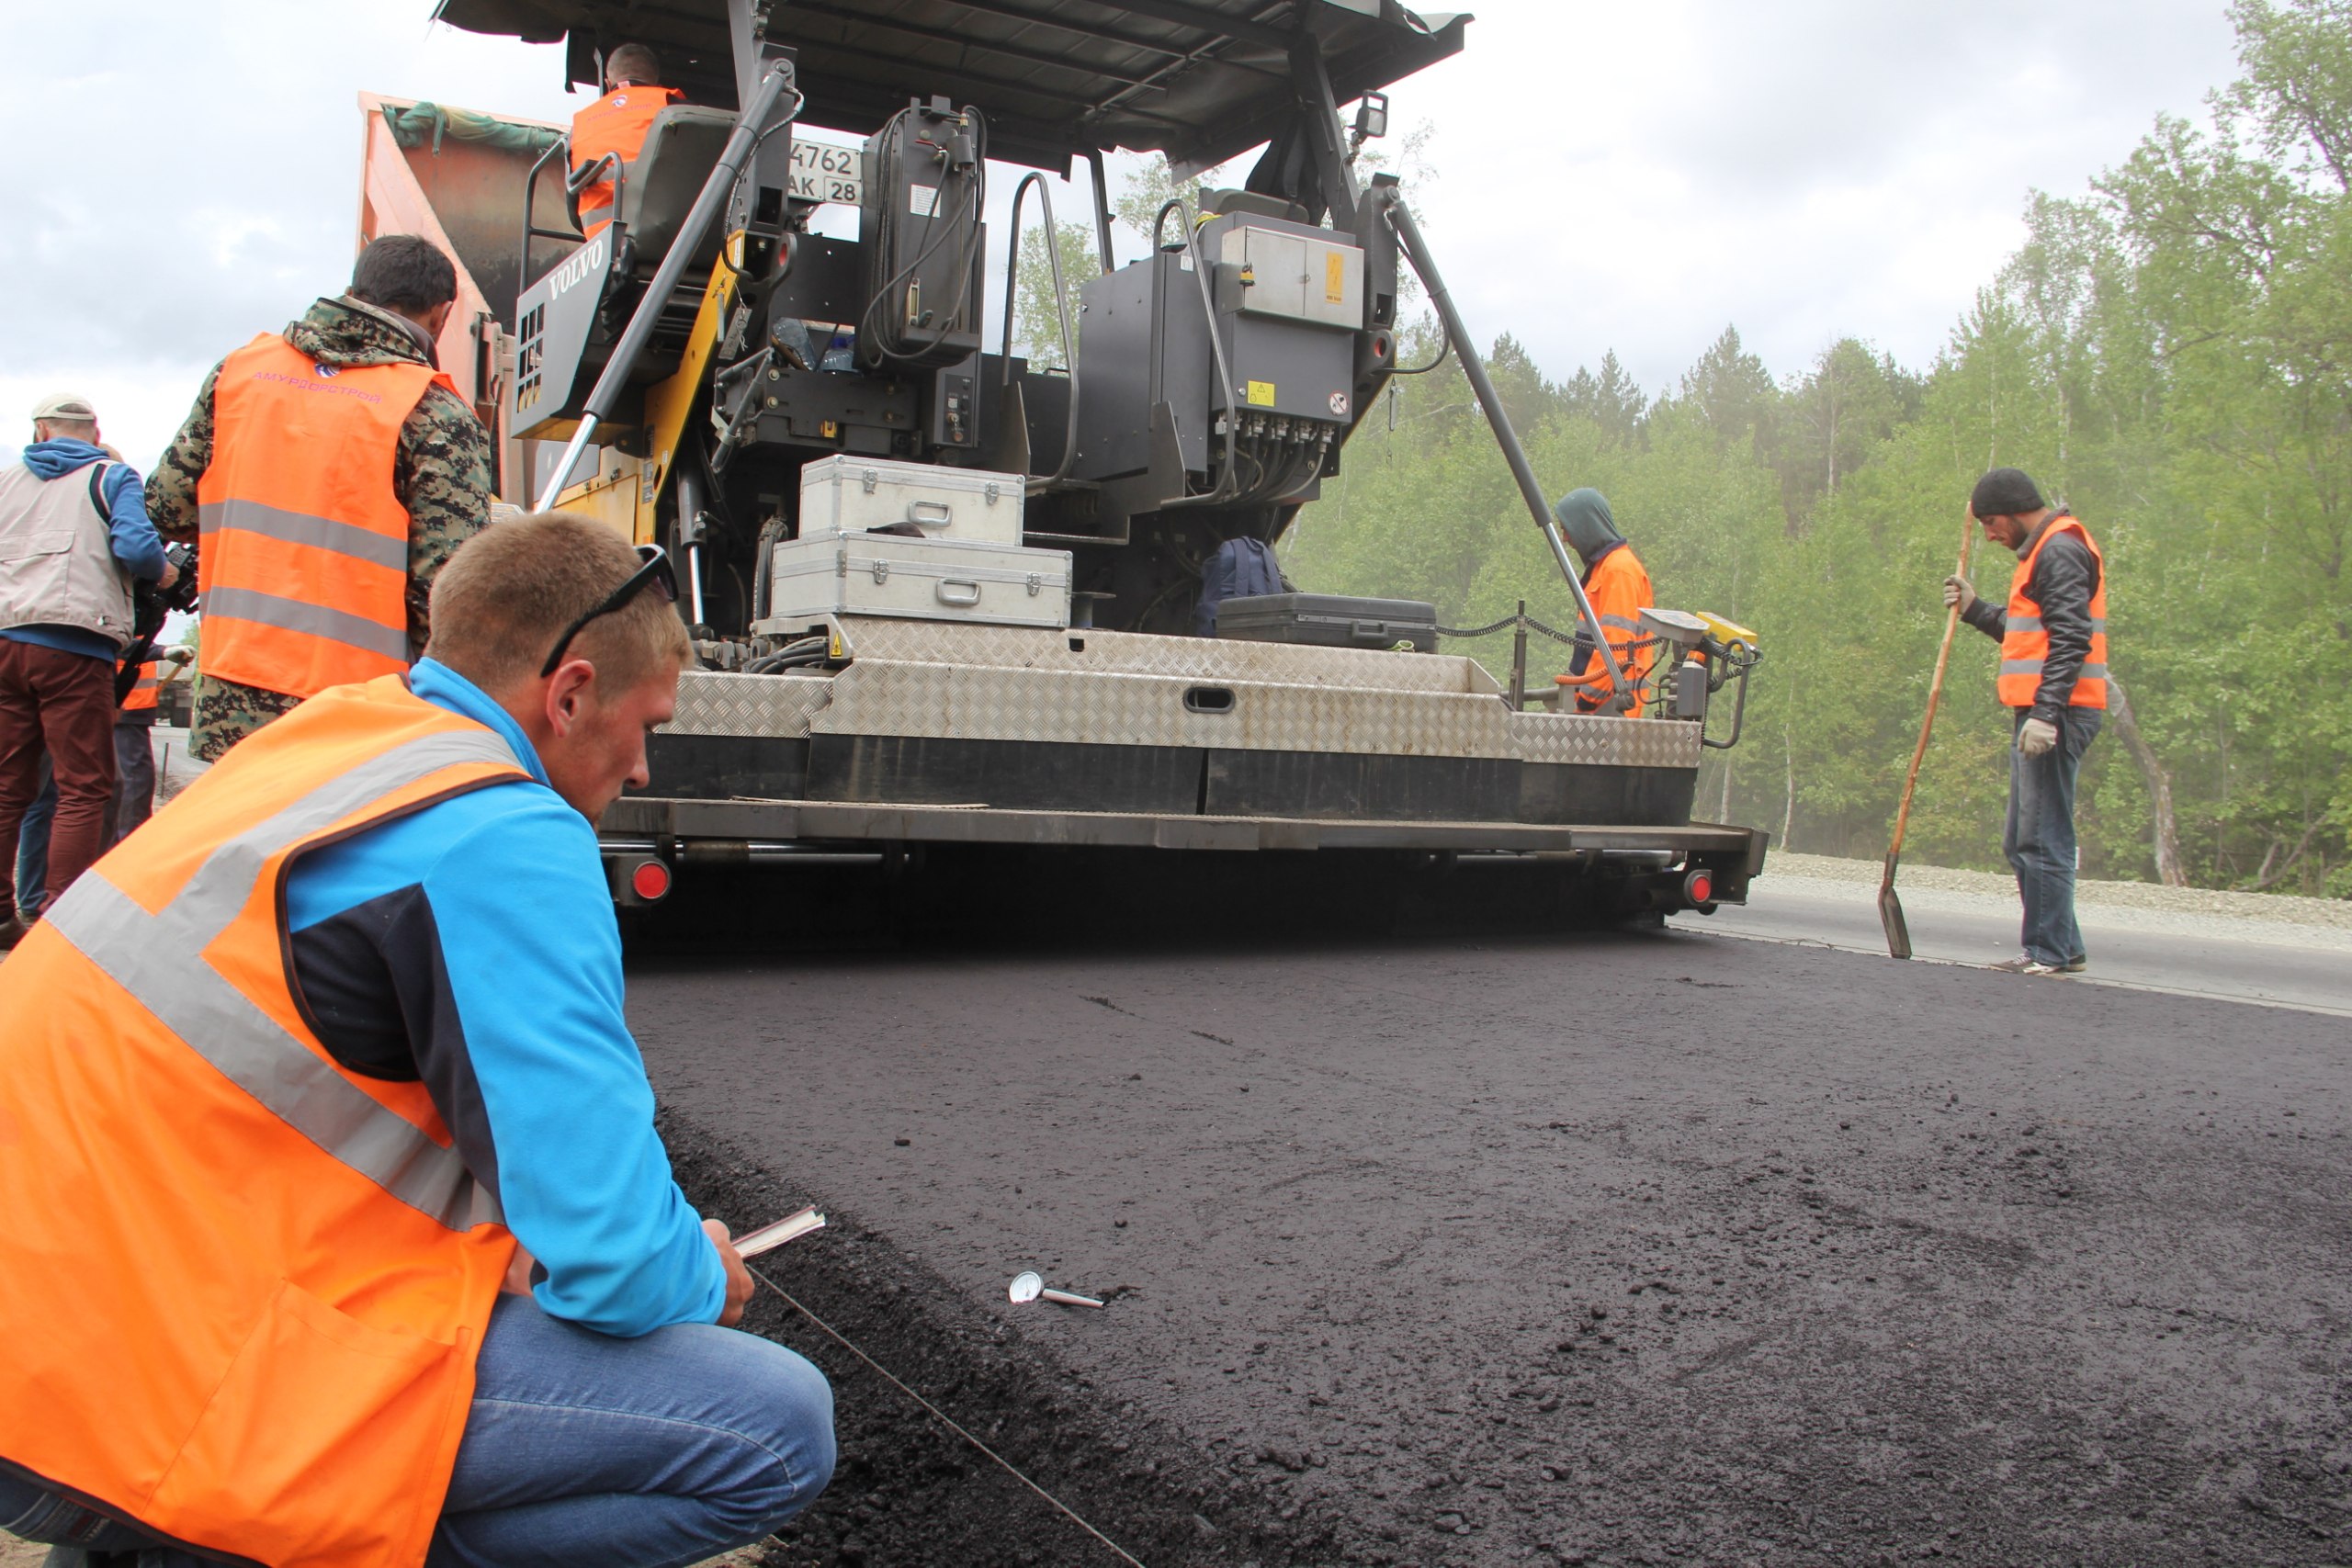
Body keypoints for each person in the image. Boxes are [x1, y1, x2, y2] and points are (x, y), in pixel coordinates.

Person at [0, 513, 834, 1567]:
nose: (641, 769)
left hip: (55, 1309)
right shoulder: (507, 834)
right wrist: (700, 1276)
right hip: (131, 1372)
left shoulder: (341, 736)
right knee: (768, 1428)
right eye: (646, 724)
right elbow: (617, 1260)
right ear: (569, 694)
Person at [146, 233, 493, 762]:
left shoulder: (238, 374)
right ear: (442, 314)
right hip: (355, 714)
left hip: (233, 694)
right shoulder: (432, 411)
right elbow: (449, 595)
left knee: (243, 841)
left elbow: (166, 508)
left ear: (355, 290)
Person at [0, 393, 175, 947]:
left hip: (6, 640)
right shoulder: (111, 475)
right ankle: (60, 922)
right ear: (95, 433)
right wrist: (167, 576)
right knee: (84, 786)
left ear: (41, 431)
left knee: (9, 786)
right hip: (75, 642)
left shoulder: (8, 481)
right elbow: (137, 549)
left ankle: (4, 913)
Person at [1942, 467, 2108, 976]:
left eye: (1991, 522)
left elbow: (2071, 639)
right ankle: (2063, 946)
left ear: (2014, 510)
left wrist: (2045, 714)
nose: (1989, 534)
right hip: (2047, 711)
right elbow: (2027, 636)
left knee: (2040, 837)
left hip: (2056, 713)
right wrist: (1974, 610)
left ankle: (2047, 953)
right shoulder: (2043, 552)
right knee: (2024, 838)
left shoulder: (2058, 549)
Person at [1550, 487, 1655, 715]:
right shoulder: (1605, 568)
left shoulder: (1619, 571)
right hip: (1601, 712)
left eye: (1567, 530)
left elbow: (1615, 652)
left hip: (1611, 713)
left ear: (1586, 526)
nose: (1566, 539)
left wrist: (1584, 703)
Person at [571, 42, 684, 236]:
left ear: (608, 84)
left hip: (599, 239)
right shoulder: (669, 104)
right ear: (656, 84)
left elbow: (572, 200)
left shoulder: (580, 124)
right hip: (665, 232)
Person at [108, 645, 187, 843]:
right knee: (133, 780)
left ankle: (120, 843)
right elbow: (121, 641)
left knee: (127, 780)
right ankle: (129, 845)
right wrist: (159, 651)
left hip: (129, 705)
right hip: (127, 705)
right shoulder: (125, 616)